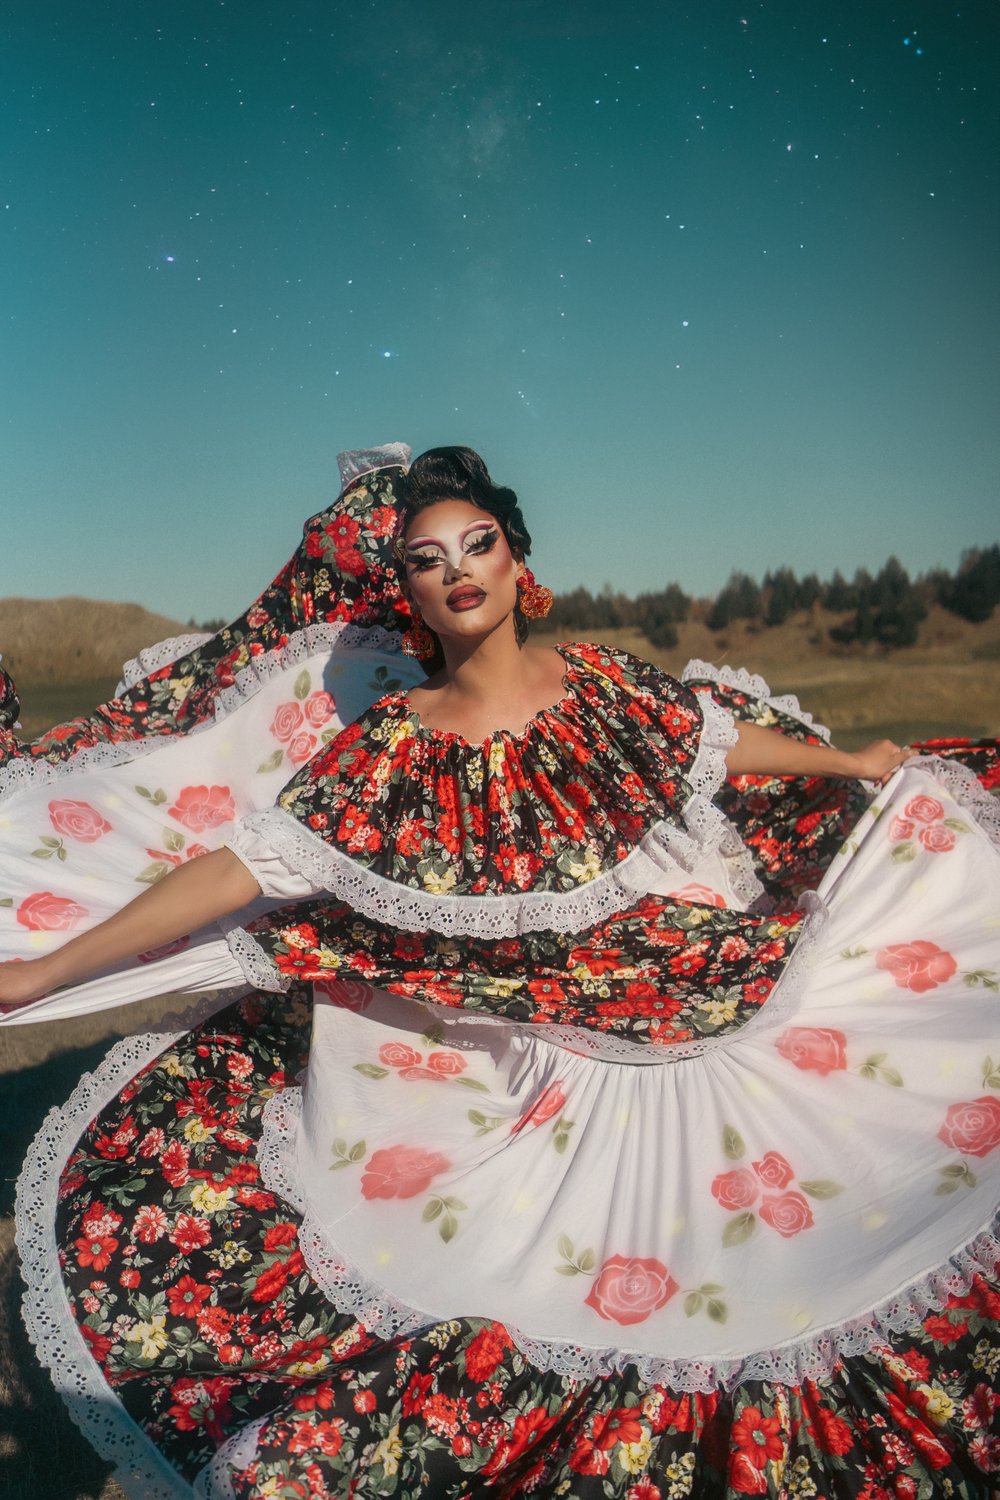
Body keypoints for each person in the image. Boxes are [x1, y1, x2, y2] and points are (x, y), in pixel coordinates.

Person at [1, 445, 998, 1499]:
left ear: (520, 564)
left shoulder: (604, 686)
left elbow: (716, 744)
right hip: (573, 1046)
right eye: (427, 559)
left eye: (478, 544)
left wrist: (857, 766)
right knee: (594, 1309)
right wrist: (41, 974)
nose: (457, 569)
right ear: (414, 595)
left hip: (727, 988)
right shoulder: (389, 749)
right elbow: (238, 868)